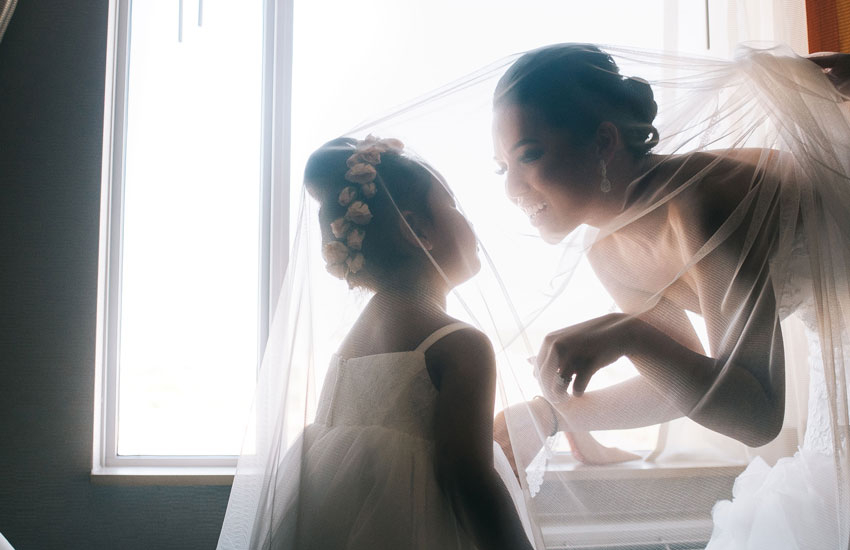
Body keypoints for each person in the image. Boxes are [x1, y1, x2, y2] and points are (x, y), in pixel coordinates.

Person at [489, 44, 850, 548]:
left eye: (528, 155)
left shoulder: (702, 202)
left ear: (604, 141)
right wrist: (552, 414)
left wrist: (628, 335)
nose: (512, 189)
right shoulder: (609, 251)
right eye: (501, 167)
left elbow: (757, 416)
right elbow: (686, 385)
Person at [217, 135, 535, 550]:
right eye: (453, 205)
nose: (468, 221)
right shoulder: (460, 344)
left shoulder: (353, 342)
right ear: (417, 230)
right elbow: (471, 482)